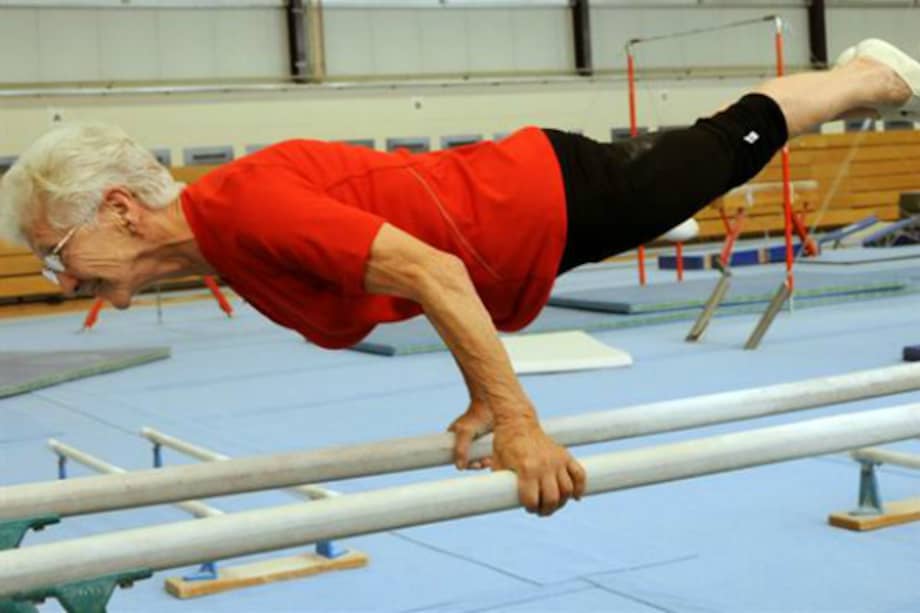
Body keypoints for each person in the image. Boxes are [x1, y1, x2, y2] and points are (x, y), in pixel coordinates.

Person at [1, 38, 917, 517]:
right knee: (706, 155)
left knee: (718, 152)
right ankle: (850, 79)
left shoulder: (242, 211)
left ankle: (864, 78)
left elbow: (429, 267)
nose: (58, 275)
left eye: (55, 252)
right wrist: (485, 398)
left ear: (120, 208)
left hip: (540, 197)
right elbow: (413, 277)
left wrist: (520, 423)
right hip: (522, 231)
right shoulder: (227, 246)